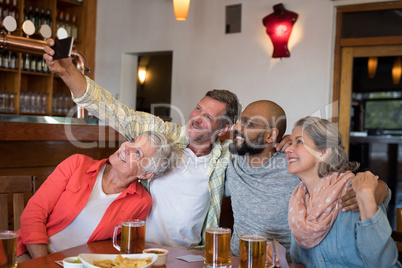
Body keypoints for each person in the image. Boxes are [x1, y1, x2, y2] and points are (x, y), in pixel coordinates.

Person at [43, 38, 248, 248]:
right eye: (198, 109)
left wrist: (284, 143)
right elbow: (111, 109)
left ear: (223, 129)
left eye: (209, 117)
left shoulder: (226, 159)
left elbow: (264, 155)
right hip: (138, 248)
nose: (197, 118)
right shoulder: (162, 135)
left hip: (190, 254)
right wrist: (67, 72)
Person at [17, 131, 179, 261]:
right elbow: (33, 213)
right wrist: (43, 262)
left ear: (146, 174)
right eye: (132, 141)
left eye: (137, 153)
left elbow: (121, 247)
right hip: (29, 254)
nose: (126, 148)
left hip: (79, 264)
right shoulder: (77, 164)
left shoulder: (141, 202)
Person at [282, 116, 400, 267]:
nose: (288, 149)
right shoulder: (298, 202)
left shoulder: (355, 191)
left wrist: (367, 200)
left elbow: (384, 264)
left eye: (299, 142)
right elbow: (300, 262)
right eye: (290, 143)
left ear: (323, 152)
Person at [225, 100, 300, 256]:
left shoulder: (295, 168)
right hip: (236, 262)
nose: (236, 127)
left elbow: (335, 182)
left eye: (249, 124)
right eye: (239, 121)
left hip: (279, 264)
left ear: (270, 135)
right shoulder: (232, 163)